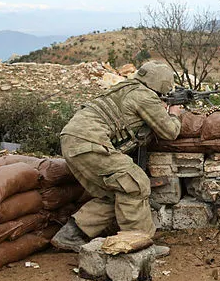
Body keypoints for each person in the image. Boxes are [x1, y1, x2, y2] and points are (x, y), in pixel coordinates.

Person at [51, 61, 183, 250]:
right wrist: (174, 113)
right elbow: (170, 132)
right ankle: (139, 245)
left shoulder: (124, 87)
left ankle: (70, 235)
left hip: (72, 140)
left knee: (117, 193)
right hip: (90, 142)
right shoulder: (145, 97)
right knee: (135, 184)